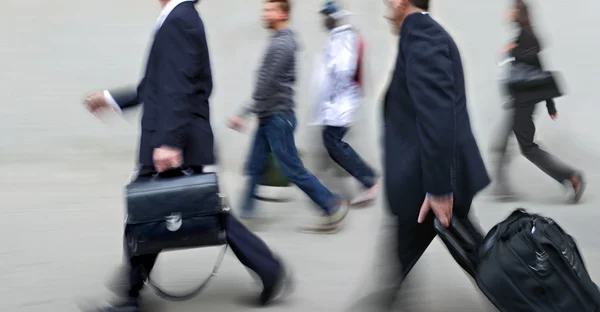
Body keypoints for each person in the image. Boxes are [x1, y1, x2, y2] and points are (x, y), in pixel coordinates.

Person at [84, 1, 291, 311]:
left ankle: (129, 297)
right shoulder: (179, 19)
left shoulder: (179, 20)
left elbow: (178, 88)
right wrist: (111, 99)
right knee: (176, 212)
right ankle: (269, 269)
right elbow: (154, 87)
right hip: (177, 136)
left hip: (173, 140)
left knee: (148, 214)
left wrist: (169, 143)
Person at [379, 0, 490, 307]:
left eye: (388, 2)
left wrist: (441, 189)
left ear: (401, 2)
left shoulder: (423, 37)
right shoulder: (419, 35)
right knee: (470, 253)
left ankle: (536, 294)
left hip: (430, 182)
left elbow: (437, 116)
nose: (386, 8)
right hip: (424, 178)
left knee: (480, 257)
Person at [227, 0, 349, 234]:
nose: (265, 13)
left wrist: (243, 113)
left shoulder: (283, 44)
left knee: (293, 169)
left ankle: (331, 205)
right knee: (254, 166)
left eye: (270, 10)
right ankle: (245, 214)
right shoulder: (278, 41)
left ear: (283, 14)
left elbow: (266, 84)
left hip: (277, 118)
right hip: (268, 117)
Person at [491, 0, 585, 202]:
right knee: (500, 145)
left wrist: (511, 51)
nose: (509, 13)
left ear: (520, 13)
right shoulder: (522, 35)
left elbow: (535, 68)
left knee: (528, 147)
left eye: (513, 9)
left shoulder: (527, 36)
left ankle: (571, 176)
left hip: (523, 103)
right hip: (518, 102)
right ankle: (502, 188)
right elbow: (537, 69)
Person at [310, 1, 380, 207]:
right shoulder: (340, 36)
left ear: (335, 16)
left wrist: (329, 99)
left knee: (333, 143)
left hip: (340, 102)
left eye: (326, 16)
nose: (324, 20)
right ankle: (367, 179)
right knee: (332, 142)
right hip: (337, 103)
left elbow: (342, 71)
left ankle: (368, 180)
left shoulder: (343, 37)